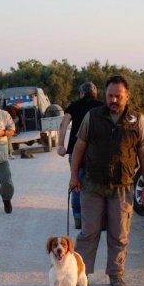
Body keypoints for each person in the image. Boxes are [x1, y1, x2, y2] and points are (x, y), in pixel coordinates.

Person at [69, 75, 144, 286]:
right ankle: (81, 274)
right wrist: (74, 176)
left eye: (118, 96)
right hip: (93, 185)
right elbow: (79, 146)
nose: (114, 100)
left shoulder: (137, 120)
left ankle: (116, 275)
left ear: (127, 96)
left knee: (119, 234)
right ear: (105, 95)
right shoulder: (93, 116)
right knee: (89, 233)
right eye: (110, 96)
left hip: (122, 187)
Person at [57, 82, 104, 229]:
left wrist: (60, 145)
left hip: (76, 151)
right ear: (95, 93)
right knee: (98, 185)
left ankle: (78, 218)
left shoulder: (74, 105)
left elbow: (63, 124)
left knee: (76, 183)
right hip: (97, 153)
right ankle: (97, 219)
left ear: (81, 93)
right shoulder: (102, 106)